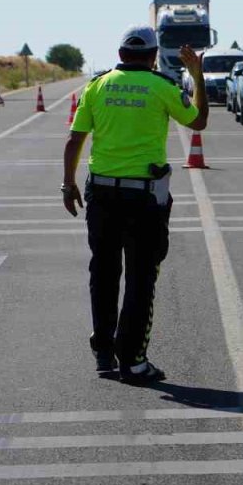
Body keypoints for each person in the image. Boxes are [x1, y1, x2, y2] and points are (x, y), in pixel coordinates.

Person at [61, 25, 208, 383]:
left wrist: (68, 184)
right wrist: (197, 77)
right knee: (142, 278)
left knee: (104, 272)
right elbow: (199, 121)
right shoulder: (163, 87)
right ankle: (134, 361)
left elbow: (74, 139)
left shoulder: (96, 86)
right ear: (154, 55)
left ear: (121, 53)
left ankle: (104, 352)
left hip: (101, 194)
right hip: (143, 198)